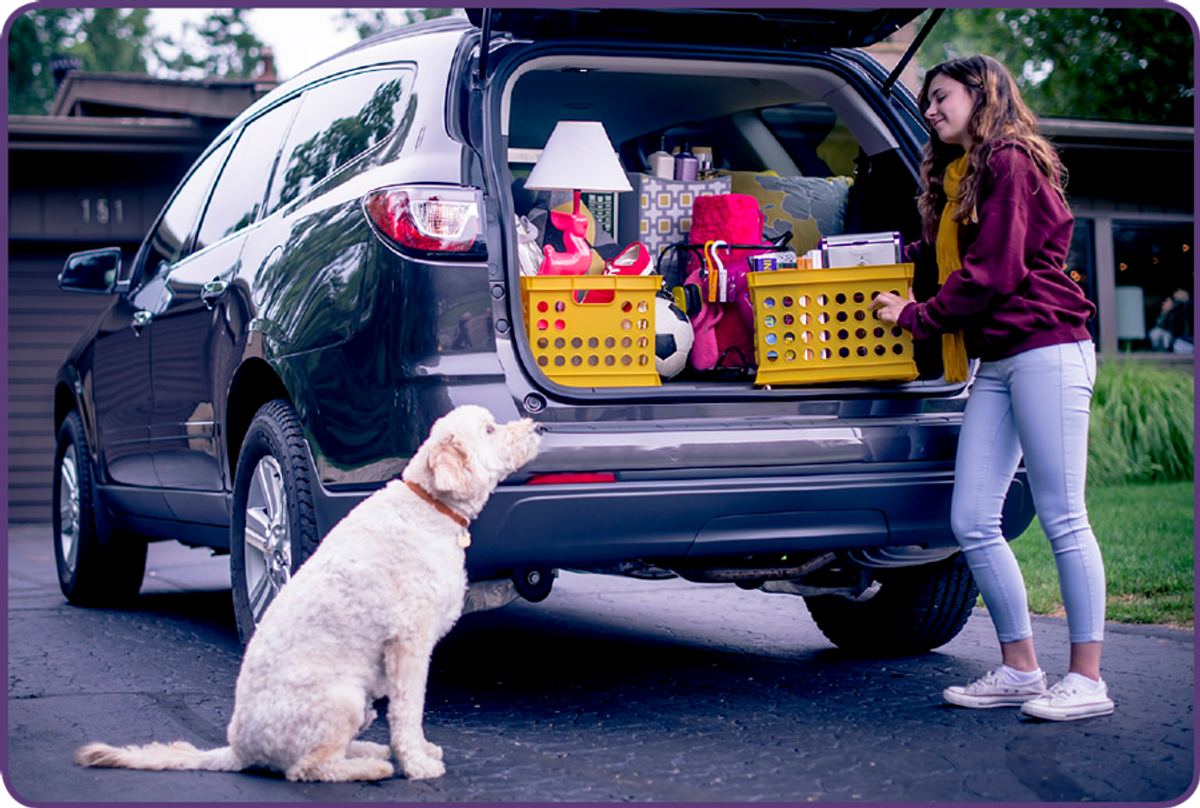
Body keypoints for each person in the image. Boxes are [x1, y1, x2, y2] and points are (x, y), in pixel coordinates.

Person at [870, 55, 1113, 721]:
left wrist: (915, 316)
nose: (930, 111)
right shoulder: (963, 175)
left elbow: (991, 274)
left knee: (1065, 516)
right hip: (999, 360)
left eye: (941, 97)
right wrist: (866, 257)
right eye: (927, 103)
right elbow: (942, 258)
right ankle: (1019, 668)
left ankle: (1088, 679)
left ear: (982, 94)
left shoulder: (1009, 160)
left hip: (1048, 350)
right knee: (973, 517)